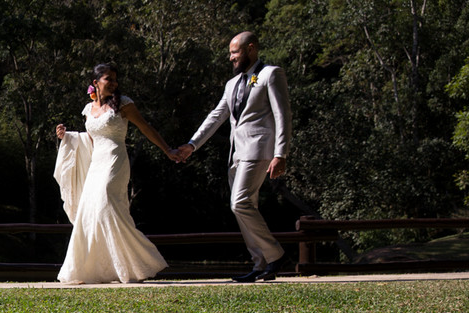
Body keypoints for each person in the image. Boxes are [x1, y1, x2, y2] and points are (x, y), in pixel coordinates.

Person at [175, 31, 293, 283]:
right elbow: (216, 116)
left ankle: (276, 255)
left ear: (251, 48)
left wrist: (281, 153)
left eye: (235, 52)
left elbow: (283, 115)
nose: (231, 58)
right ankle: (261, 264)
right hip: (235, 153)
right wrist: (192, 145)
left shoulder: (271, 74)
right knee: (246, 207)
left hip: (259, 149)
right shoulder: (232, 84)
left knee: (239, 203)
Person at [54, 63, 180, 284]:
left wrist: (167, 149)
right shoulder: (88, 109)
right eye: (107, 79)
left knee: (105, 202)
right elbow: (91, 138)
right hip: (96, 162)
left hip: (115, 159)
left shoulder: (123, 104)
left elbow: (145, 127)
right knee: (89, 210)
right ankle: (93, 269)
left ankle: (138, 261)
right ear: (95, 83)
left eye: (114, 79)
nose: (113, 83)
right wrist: (69, 137)